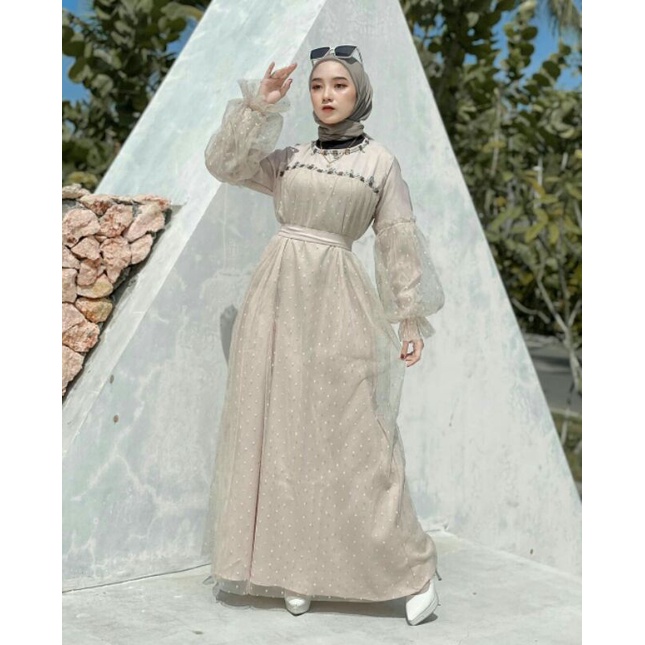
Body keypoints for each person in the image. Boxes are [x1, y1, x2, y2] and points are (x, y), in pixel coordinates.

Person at [201, 45, 445, 627]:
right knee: (282, 431)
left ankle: (411, 569)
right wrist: (259, 106)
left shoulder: (380, 163)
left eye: (339, 84)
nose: (327, 94)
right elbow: (225, 164)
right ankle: (294, 568)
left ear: (359, 92)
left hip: (340, 298)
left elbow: (397, 238)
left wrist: (408, 316)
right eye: (317, 86)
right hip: (278, 297)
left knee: (357, 434)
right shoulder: (291, 159)